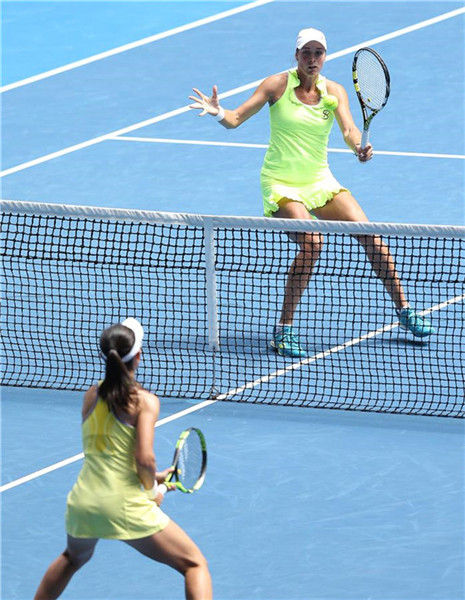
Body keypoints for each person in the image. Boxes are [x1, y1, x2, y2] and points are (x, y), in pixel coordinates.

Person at [189, 27, 434, 358]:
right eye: (307, 52)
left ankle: (404, 310)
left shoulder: (333, 91)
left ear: (325, 56)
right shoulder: (276, 85)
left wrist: (358, 147)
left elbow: (349, 129)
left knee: (371, 235)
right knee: (313, 242)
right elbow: (235, 118)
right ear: (296, 55)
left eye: (319, 53)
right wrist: (218, 111)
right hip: (281, 183)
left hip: (320, 181)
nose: (313, 58)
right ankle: (283, 330)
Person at [34, 318, 212, 600]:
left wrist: (154, 479)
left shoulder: (90, 396)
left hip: (84, 503)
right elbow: (144, 459)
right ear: (138, 356)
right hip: (123, 506)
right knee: (194, 565)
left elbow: (109, 457)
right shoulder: (144, 401)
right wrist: (152, 490)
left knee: (72, 559)